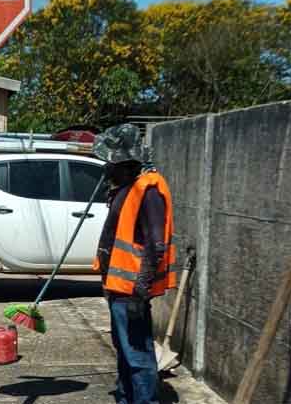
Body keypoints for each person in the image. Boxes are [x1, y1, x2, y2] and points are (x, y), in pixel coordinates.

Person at [92, 124, 177, 404]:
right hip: (118, 288)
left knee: (138, 357)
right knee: (125, 352)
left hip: (131, 291)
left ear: (125, 163)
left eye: (111, 162)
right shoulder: (126, 188)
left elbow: (156, 245)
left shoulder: (149, 191)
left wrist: (140, 291)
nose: (107, 167)